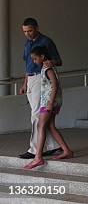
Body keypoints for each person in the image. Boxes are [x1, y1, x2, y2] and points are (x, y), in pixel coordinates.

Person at [18, 18, 63, 160]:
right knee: (38, 115)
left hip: (41, 78)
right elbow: (27, 66)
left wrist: (50, 62)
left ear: (37, 28)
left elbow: (58, 61)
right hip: (31, 79)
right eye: (25, 31)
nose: (28, 34)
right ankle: (53, 146)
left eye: (30, 30)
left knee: (36, 115)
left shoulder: (46, 41)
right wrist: (25, 83)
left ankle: (34, 149)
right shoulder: (27, 43)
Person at [23, 47, 73, 169]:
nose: (34, 61)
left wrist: (50, 103)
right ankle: (67, 151)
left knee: (41, 125)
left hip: (49, 102)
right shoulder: (45, 67)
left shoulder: (47, 68)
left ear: (43, 57)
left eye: (35, 59)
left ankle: (38, 157)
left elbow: (55, 84)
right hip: (49, 101)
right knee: (50, 126)